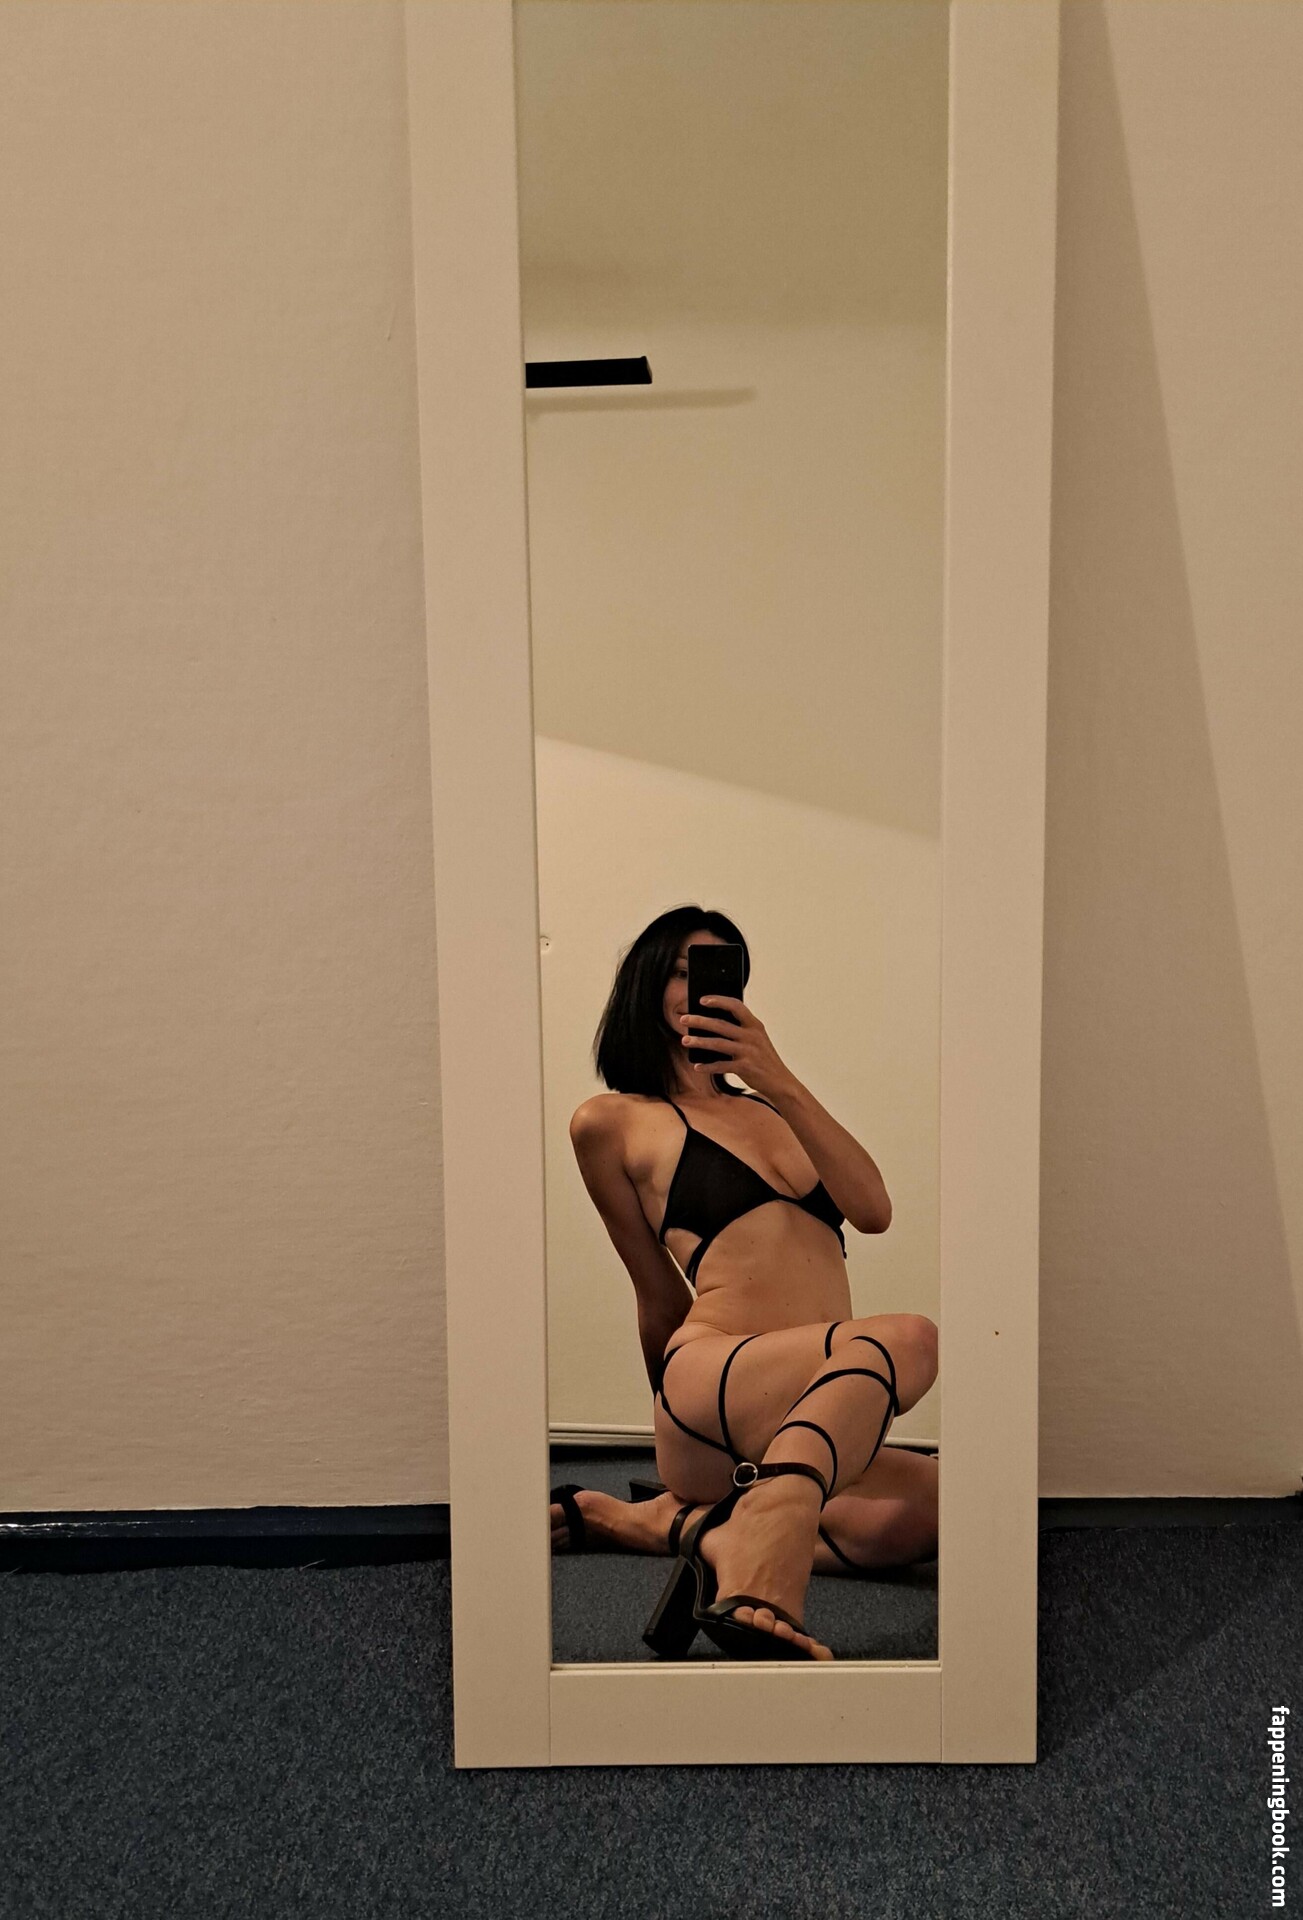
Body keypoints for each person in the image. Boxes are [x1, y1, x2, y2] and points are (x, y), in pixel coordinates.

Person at [550, 904, 939, 1661]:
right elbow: (656, 1291)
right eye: (680, 970)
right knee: (912, 1339)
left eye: (717, 973)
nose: (698, 987)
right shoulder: (611, 1122)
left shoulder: (774, 1109)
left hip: (813, 1400)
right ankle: (763, 1567)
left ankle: (673, 1525)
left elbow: (874, 1211)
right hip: (715, 1384)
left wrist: (776, 1077)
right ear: (645, 985)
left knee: (948, 1508)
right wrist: (674, 1419)